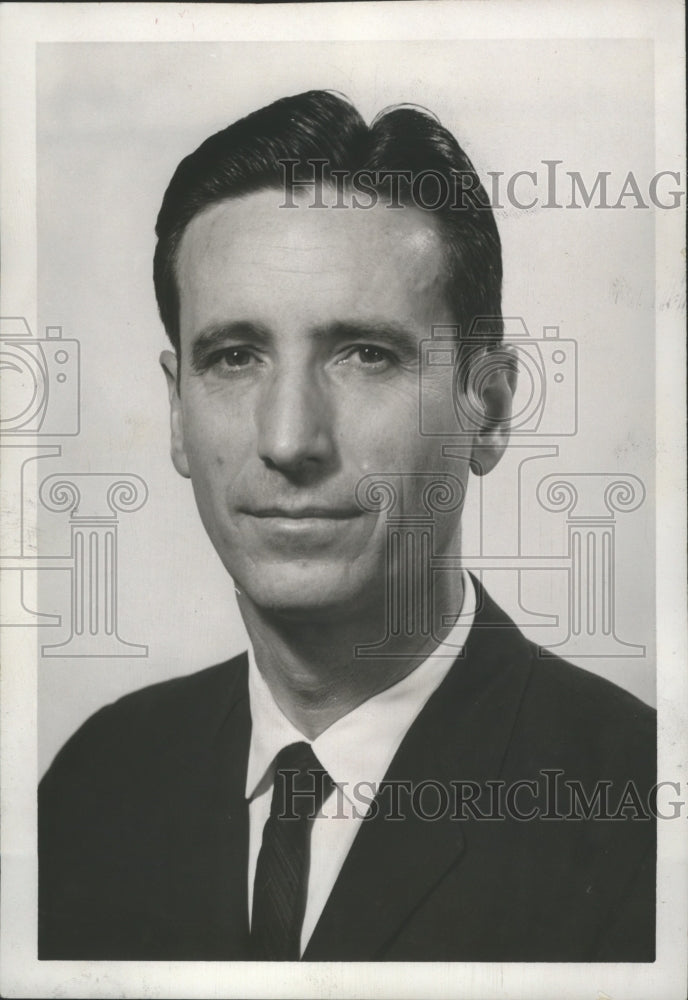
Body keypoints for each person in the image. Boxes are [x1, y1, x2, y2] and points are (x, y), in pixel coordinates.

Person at [38, 90, 655, 962]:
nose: (289, 439)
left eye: (365, 354)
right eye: (233, 357)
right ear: (176, 413)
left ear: (489, 409)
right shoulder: (96, 782)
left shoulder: (638, 816)